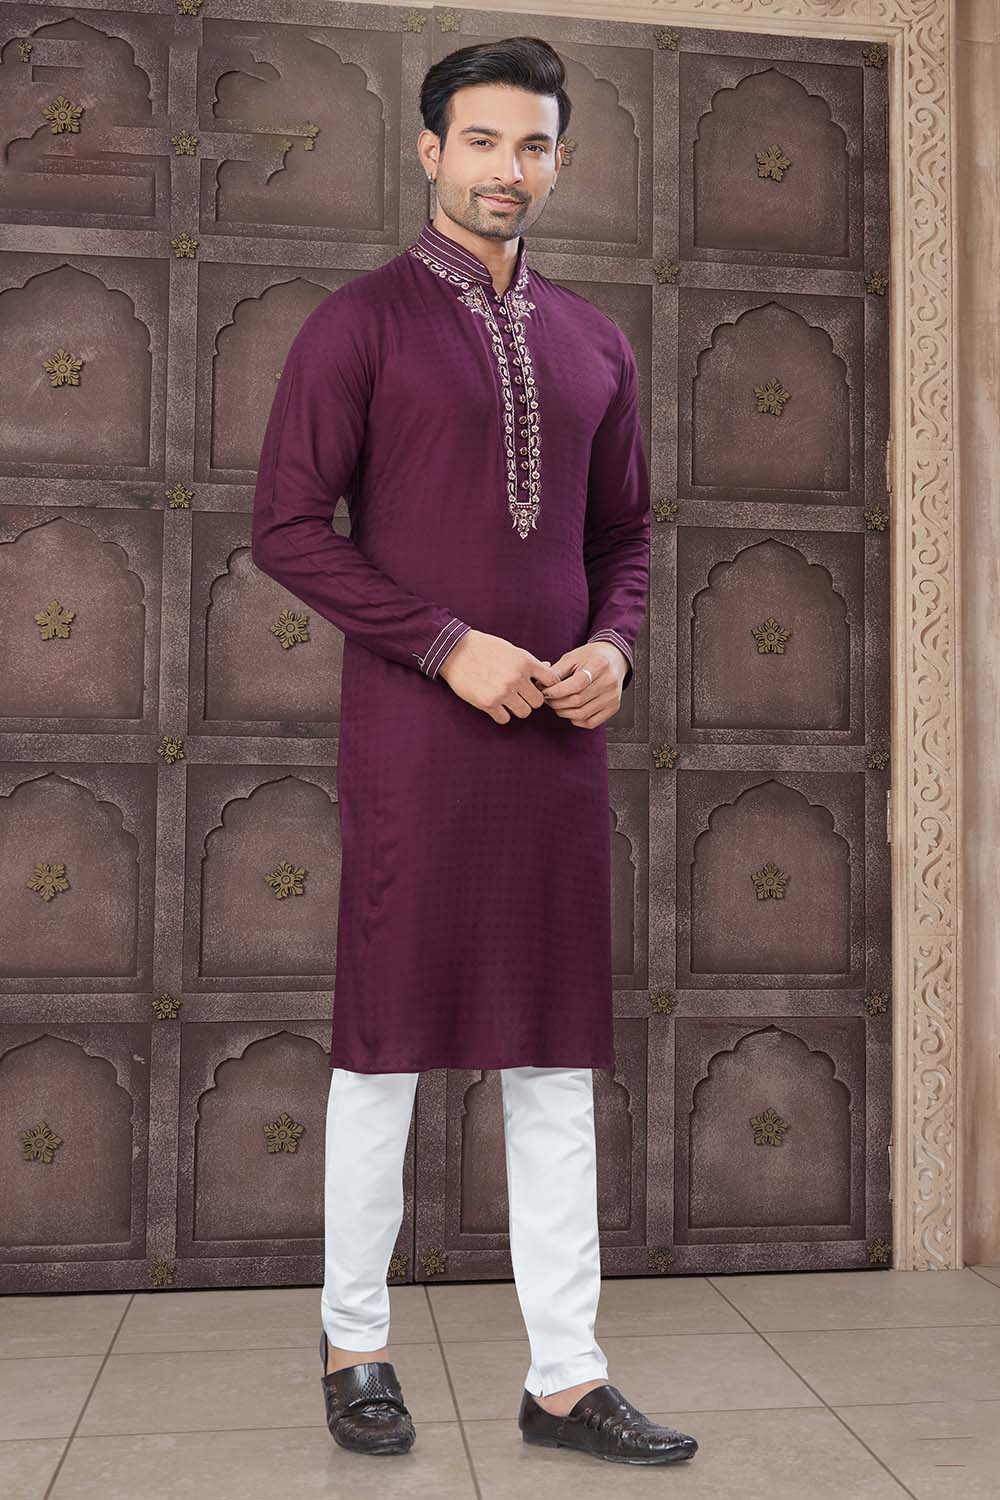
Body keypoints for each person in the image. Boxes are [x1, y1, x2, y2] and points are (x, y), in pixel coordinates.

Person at [251, 34, 698, 1467]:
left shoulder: (596, 342)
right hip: (415, 736)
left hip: (558, 741)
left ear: (561, 161)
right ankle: (356, 1343)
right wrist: (448, 645)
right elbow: (286, 530)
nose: (511, 169)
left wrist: (613, 649)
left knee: (553, 1056)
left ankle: (565, 1377)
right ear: (432, 150)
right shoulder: (359, 325)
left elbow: (623, 537)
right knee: (384, 1049)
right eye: (486, 141)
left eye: (536, 145)